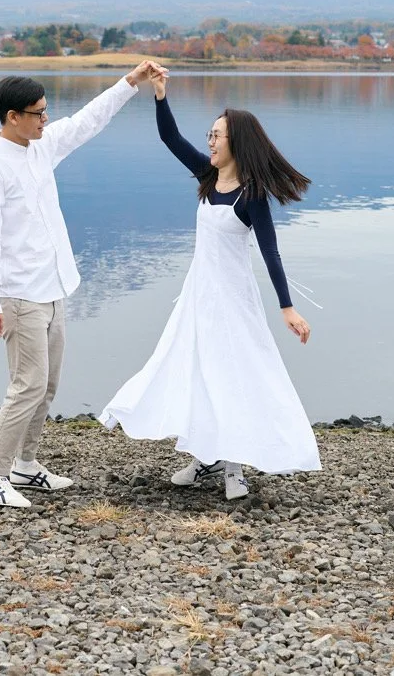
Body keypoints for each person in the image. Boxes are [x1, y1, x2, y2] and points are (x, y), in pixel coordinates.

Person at [99, 68, 321, 500]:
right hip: (198, 297)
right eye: (210, 134)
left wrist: (287, 307)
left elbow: (271, 253)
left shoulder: (251, 195)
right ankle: (207, 458)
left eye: (217, 135)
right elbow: (170, 139)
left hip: (233, 303)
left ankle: (233, 466)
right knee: (193, 371)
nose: (210, 142)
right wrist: (160, 95)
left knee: (231, 375)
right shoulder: (208, 176)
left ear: (236, 141)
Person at [0, 63, 161, 508]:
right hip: (17, 294)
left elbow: (88, 120)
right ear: (12, 117)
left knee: (48, 384)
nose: (46, 119)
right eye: (37, 113)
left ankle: (26, 466)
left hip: (54, 287)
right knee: (26, 385)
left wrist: (129, 83)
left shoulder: (41, 146)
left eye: (45, 110)